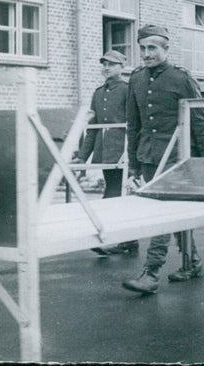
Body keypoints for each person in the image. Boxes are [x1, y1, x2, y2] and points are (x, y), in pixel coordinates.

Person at [121, 24, 204, 294]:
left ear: (166, 49)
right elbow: (133, 125)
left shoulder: (181, 79)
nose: (147, 53)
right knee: (171, 213)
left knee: (161, 213)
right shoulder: (136, 80)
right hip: (149, 158)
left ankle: (151, 272)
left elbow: (201, 123)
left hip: (177, 159)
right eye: (142, 48)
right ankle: (192, 261)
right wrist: (134, 166)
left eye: (152, 48)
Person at [71, 49, 138, 256]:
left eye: (111, 64)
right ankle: (125, 240)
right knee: (113, 189)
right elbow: (92, 129)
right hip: (105, 151)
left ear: (121, 67)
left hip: (123, 149)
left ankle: (117, 238)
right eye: (104, 64)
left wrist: (132, 151)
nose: (107, 68)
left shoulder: (127, 90)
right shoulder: (99, 93)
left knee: (118, 193)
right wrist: (82, 156)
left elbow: (134, 123)